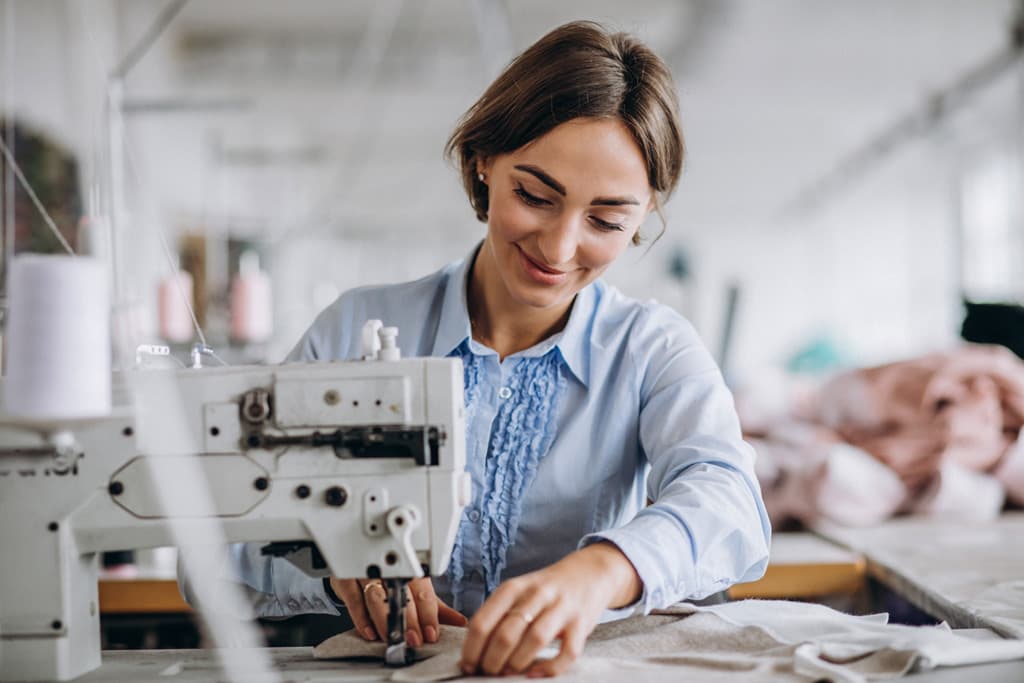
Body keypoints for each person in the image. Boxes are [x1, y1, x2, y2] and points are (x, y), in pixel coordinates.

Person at [224, 20, 770, 678]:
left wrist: (600, 572)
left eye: (605, 220)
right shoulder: (355, 327)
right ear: (484, 160)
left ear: (644, 212)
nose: (559, 247)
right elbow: (231, 525)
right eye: (535, 196)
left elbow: (728, 503)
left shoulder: (652, 350)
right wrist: (335, 562)